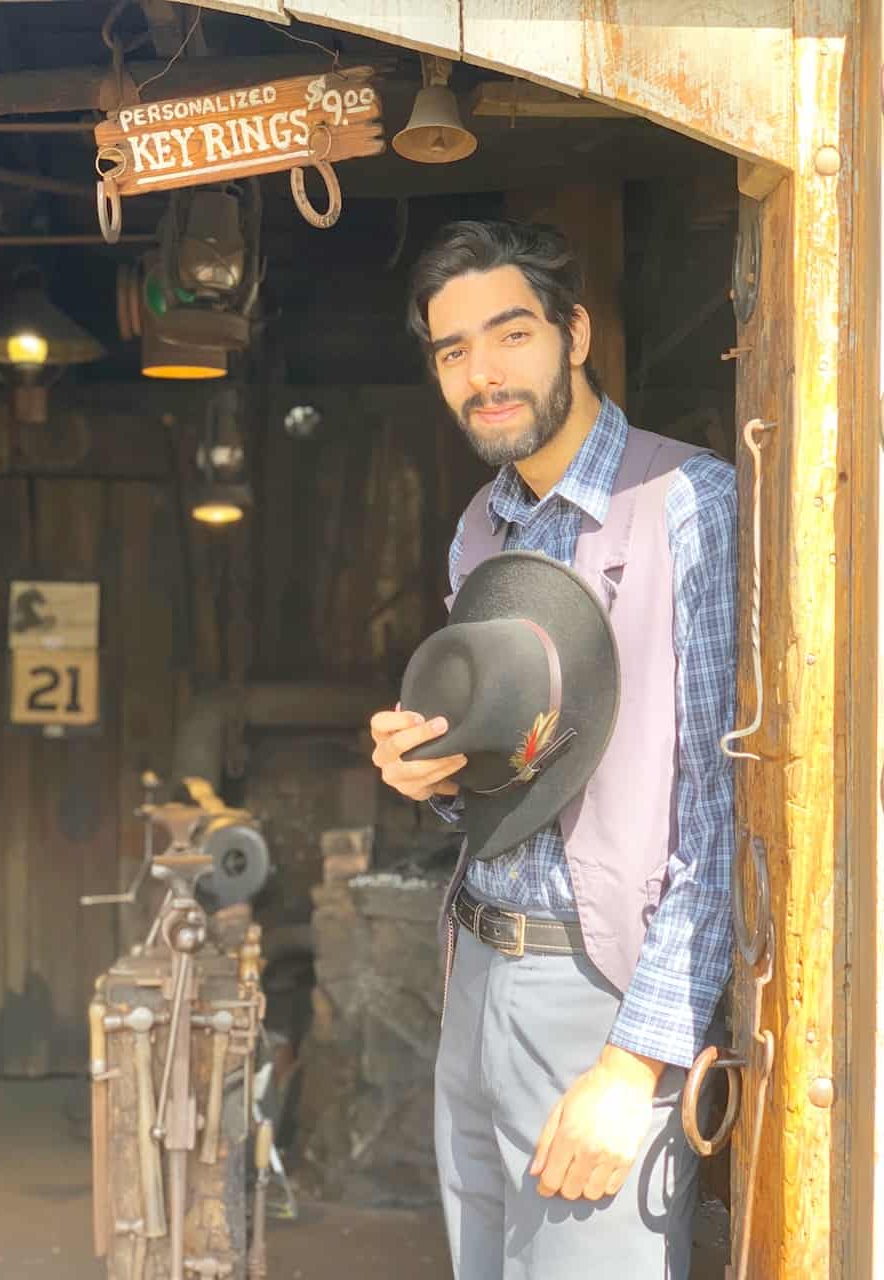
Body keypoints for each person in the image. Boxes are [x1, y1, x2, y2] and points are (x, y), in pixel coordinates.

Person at [369, 220, 736, 1279]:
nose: (482, 372)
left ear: (574, 333)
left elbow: (722, 816)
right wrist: (426, 773)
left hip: (603, 989)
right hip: (477, 968)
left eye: (511, 332)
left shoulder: (689, 507)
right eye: (451, 350)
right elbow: (501, 783)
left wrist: (636, 1061)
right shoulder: (479, 528)